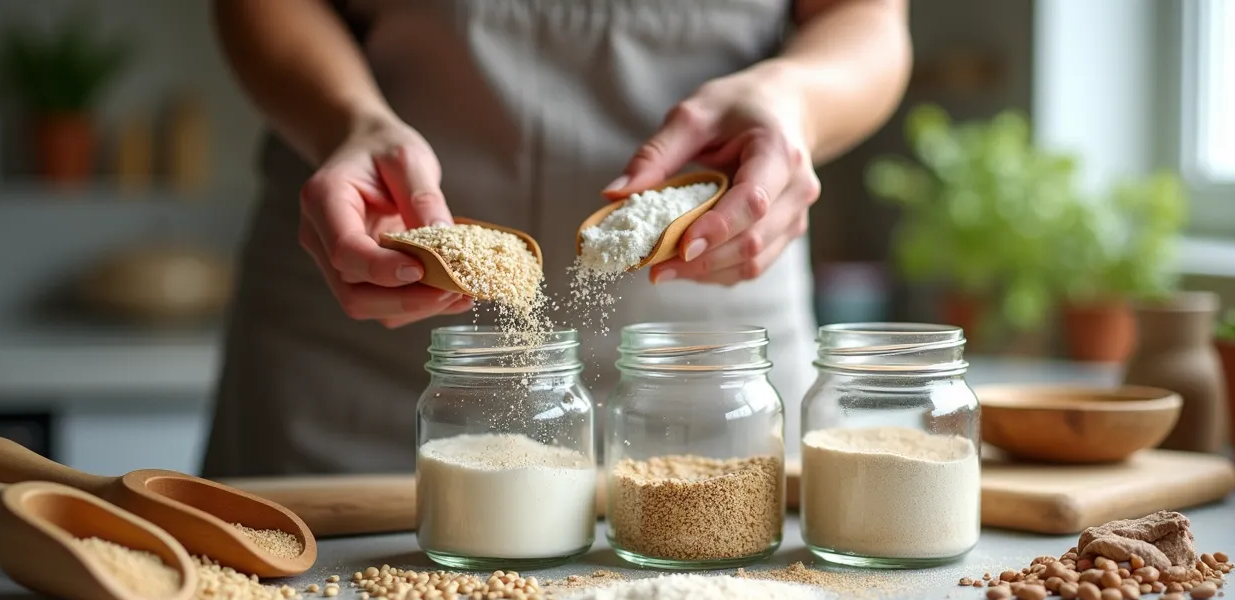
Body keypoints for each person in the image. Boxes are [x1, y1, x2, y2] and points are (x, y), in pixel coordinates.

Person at [201, 0, 912, 477]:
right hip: (365, 330)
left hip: (704, 340)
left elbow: (868, 18)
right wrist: (345, 120)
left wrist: (796, 100)